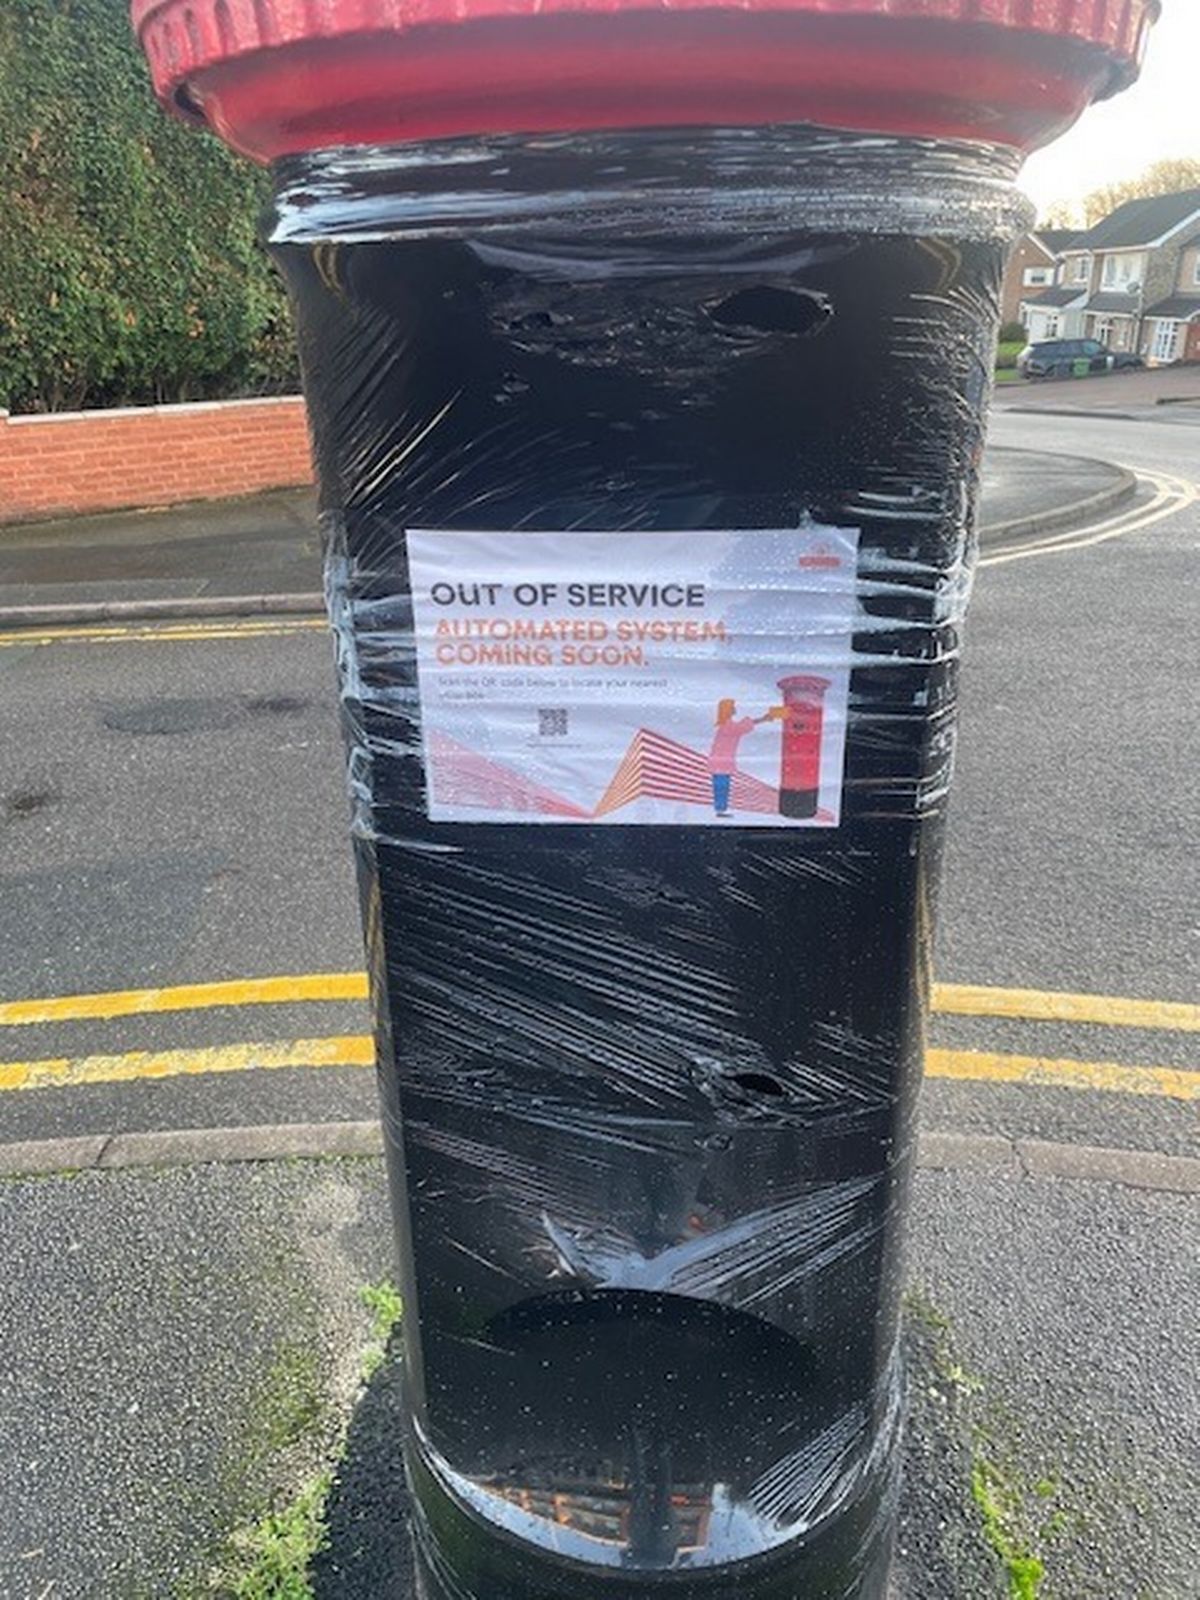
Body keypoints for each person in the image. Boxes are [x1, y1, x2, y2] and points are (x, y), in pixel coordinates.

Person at [708, 699, 768, 816]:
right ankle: (720, 810)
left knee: (721, 786)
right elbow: (742, 727)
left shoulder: (726, 724)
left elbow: (741, 726)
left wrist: (762, 719)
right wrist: (763, 719)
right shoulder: (728, 725)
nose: (735, 708)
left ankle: (720, 809)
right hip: (721, 762)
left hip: (719, 761)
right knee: (722, 787)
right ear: (728, 710)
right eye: (732, 706)